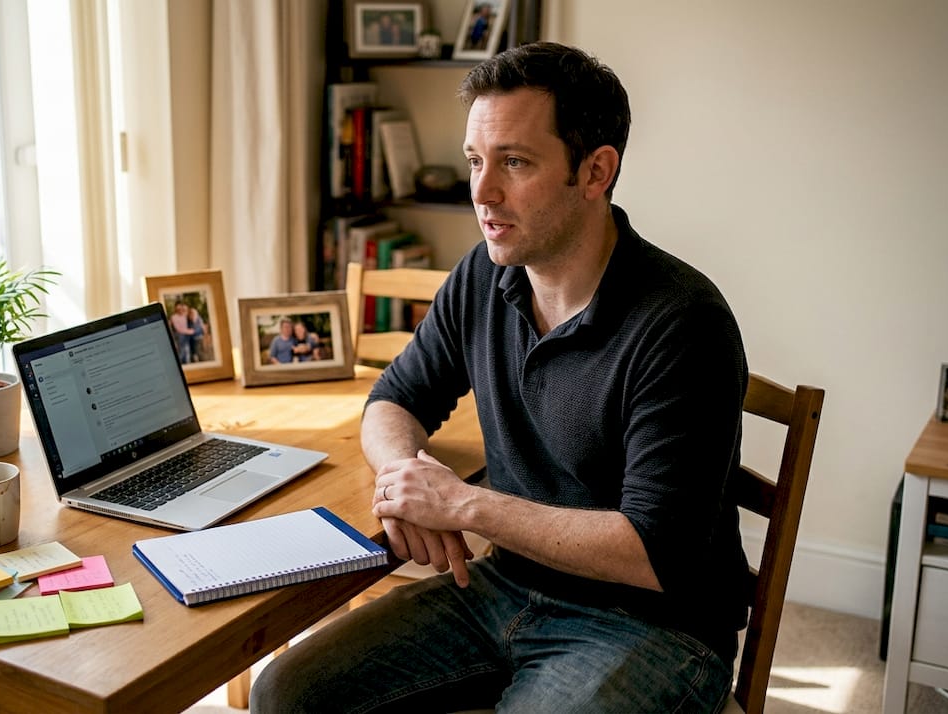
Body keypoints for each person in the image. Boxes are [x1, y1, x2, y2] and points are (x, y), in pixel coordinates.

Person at [251, 42, 748, 713]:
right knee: (286, 693)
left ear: (595, 171)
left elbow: (652, 553)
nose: (482, 193)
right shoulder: (486, 276)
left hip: (652, 627)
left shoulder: (683, 322)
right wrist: (405, 478)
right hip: (503, 589)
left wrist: (463, 504)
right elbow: (393, 399)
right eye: (476, 161)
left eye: (514, 162)